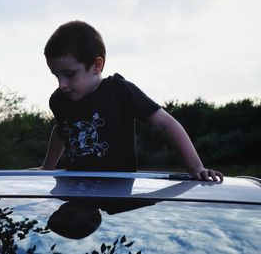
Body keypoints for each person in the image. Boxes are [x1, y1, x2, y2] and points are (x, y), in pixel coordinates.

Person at [36, 20, 223, 181]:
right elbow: (62, 129)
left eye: (69, 74)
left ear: (96, 66)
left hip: (120, 193)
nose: (62, 84)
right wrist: (47, 168)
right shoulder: (60, 100)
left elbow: (166, 123)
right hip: (75, 190)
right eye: (56, 76)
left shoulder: (120, 91)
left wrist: (196, 168)